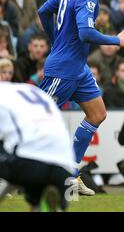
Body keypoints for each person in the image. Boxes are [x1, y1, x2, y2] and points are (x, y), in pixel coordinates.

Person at [37, 0, 124, 196]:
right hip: (63, 70)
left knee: (97, 114)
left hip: (77, 68)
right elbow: (86, 33)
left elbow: (44, 11)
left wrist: (55, 40)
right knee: (33, 120)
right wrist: (116, 40)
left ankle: (70, 174)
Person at [0, 82, 75, 211]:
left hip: (28, 162)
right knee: (37, 196)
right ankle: (43, 205)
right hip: (66, 168)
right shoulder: (31, 90)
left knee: (18, 160)